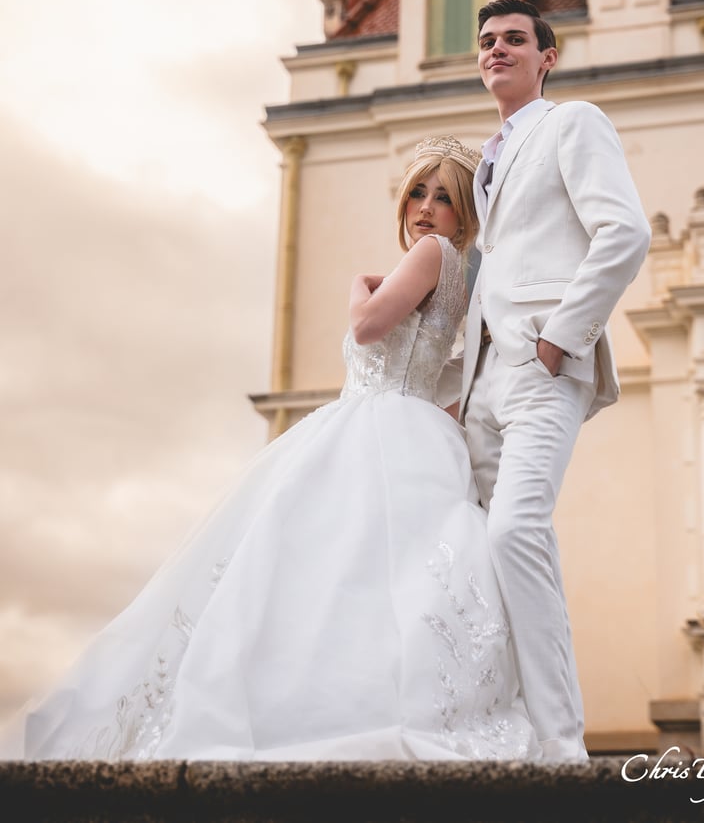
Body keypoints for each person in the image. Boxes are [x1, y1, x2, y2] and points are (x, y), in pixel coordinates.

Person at [10, 137, 541, 763]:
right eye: (418, 192)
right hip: (415, 424)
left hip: (374, 422)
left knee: (305, 566)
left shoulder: (430, 255)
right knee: (365, 578)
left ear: (463, 216)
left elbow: (368, 326)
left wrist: (356, 288)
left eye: (443, 197)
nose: (426, 209)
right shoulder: (459, 276)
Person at [460, 0, 652, 763]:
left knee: (516, 530)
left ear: (547, 57)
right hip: (486, 381)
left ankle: (562, 745)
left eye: (514, 39)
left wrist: (559, 339)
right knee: (480, 544)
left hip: (545, 363)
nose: (496, 49)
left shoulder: (573, 122)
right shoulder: (486, 160)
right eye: (486, 42)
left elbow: (625, 231)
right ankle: (500, 729)